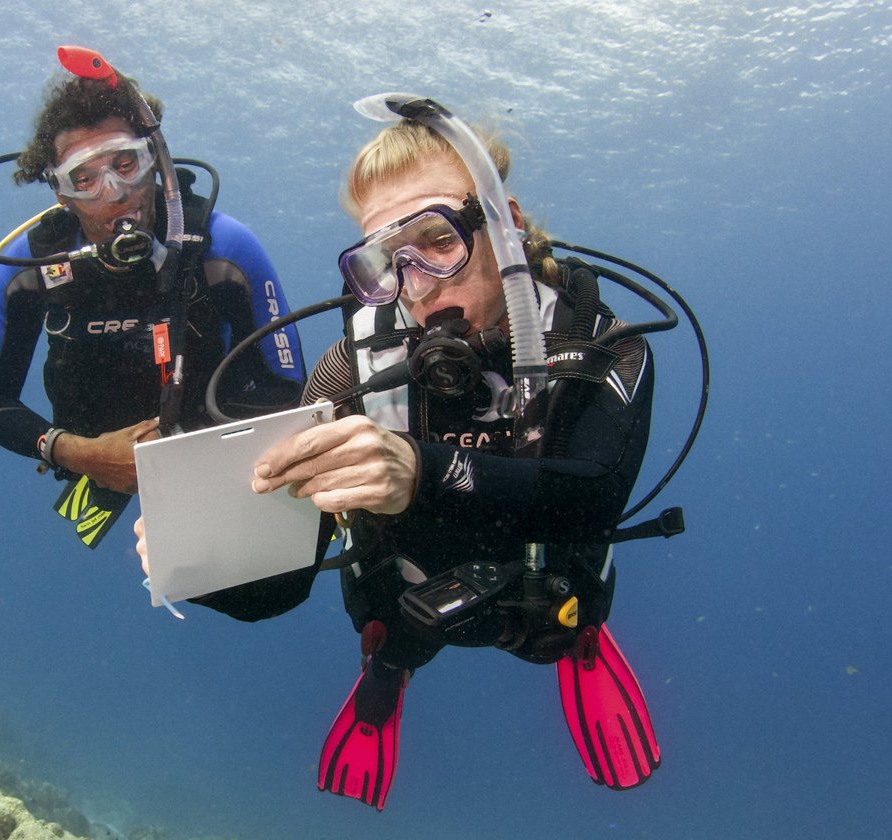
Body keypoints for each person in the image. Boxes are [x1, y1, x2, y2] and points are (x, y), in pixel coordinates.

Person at [136, 105, 668, 808]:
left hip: (547, 600)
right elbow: (285, 584)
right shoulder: (349, 369)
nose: (419, 285)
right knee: (391, 628)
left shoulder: (604, 343)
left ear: (501, 222)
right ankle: (386, 677)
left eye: (437, 240)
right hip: (408, 599)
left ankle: (583, 651)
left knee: (564, 618)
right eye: (387, 261)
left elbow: (597, 494)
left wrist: (423, 469)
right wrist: (203, 563)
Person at [0, 63, 304, 547]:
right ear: (61, 194)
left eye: (125, 164)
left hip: (207, 444)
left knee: (261, 596)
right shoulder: (30, 265)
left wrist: (172, 452)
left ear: (155, 161)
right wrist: (76, 453)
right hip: (87, 455)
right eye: (85, 178)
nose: (115, 192)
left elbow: (286, 386)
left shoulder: (222, 246)